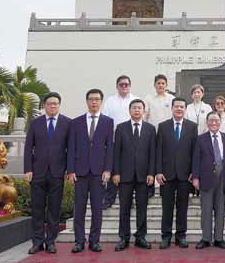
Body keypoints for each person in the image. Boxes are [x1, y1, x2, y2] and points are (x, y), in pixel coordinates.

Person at [24, 92, 71, 255]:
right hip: (38, 172)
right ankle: (37, 242)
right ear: (44, 105)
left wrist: (69, 169)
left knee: (54, 209)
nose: (53, 106)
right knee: (37, 209)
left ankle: (51, 241)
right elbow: (28, 147)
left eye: (56, 103)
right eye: (50, 103)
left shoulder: (67, 123)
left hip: (58, 173)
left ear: (59, 105)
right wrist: (28, 169)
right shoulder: (36, 123)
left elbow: (70, 149)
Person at [66, 89, 113, 253]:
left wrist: (108, 169)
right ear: (87, 102)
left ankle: (95, 241)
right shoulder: (76, 122)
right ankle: (79, 241)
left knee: (96, 209)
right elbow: (71, 147)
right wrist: (70, 170)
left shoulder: (108, 122)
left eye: (97, 99)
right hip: (79, 172)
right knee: (79, 209)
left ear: (101, 102)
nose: (94, 102)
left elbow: (110, 148)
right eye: (91, 99)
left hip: (99, 172)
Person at [112, 99, 156, 251]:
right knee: (124, 208)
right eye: (134, 108)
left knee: (142, 208)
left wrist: (151, 173)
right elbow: (116, 153)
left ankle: (140, 237)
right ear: (129, 110)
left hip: (144, 176)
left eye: (139, 108)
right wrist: (116, 173)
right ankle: (124, 238)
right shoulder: (121, 128)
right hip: (124, 176)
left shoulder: (150, 129)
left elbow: (152, 154)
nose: (137, 110)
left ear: (143, 111)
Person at [155, 97, 197, 250]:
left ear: (185, 109)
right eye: (176, 106)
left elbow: (194, 152)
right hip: (166, 175)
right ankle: (166, 236)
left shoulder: (192, 127)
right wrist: (158, 172)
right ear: (171, 109)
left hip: (185, 176)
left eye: (182, 107)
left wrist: (194, 171)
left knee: (182, 207)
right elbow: (158, 150)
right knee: (167, 207)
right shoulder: (163, 126)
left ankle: (181, 236)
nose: (179, 109)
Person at [192, 111, 225, 250]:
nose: (214, 123)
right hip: (206, 178)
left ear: (220, 122)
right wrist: (196, 177)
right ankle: (205, 239)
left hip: (223, 178)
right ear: (207, 122)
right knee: (206, 210)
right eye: (211, 120)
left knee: (220, 210)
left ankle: (218, 239)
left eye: (216, 120)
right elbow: (196, 160)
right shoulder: (200, 139)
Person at [102, 74, 141, 209]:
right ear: (117, 86)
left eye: (126, 84)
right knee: (114, 169)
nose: (124, 87)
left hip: (134, 142)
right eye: (121, 84)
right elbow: (105, 121)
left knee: (134, 170)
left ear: (130, 86)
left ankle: (134, 199)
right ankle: (109, 198)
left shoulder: (136, 100)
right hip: (115, 140)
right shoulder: (110, 101)